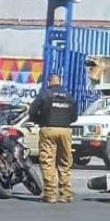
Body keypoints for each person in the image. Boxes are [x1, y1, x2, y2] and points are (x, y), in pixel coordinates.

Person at [28, 74, 78, 203]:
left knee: (48, 162)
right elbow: (74, 117)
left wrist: (39, 121)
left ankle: (50, 195)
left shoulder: (44, 94)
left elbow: (32, 112)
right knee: (65, 163)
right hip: (65, 130)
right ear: (60, 82)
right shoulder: (69, 96)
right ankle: (66, 194)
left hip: (48, 129)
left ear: (48, 82)